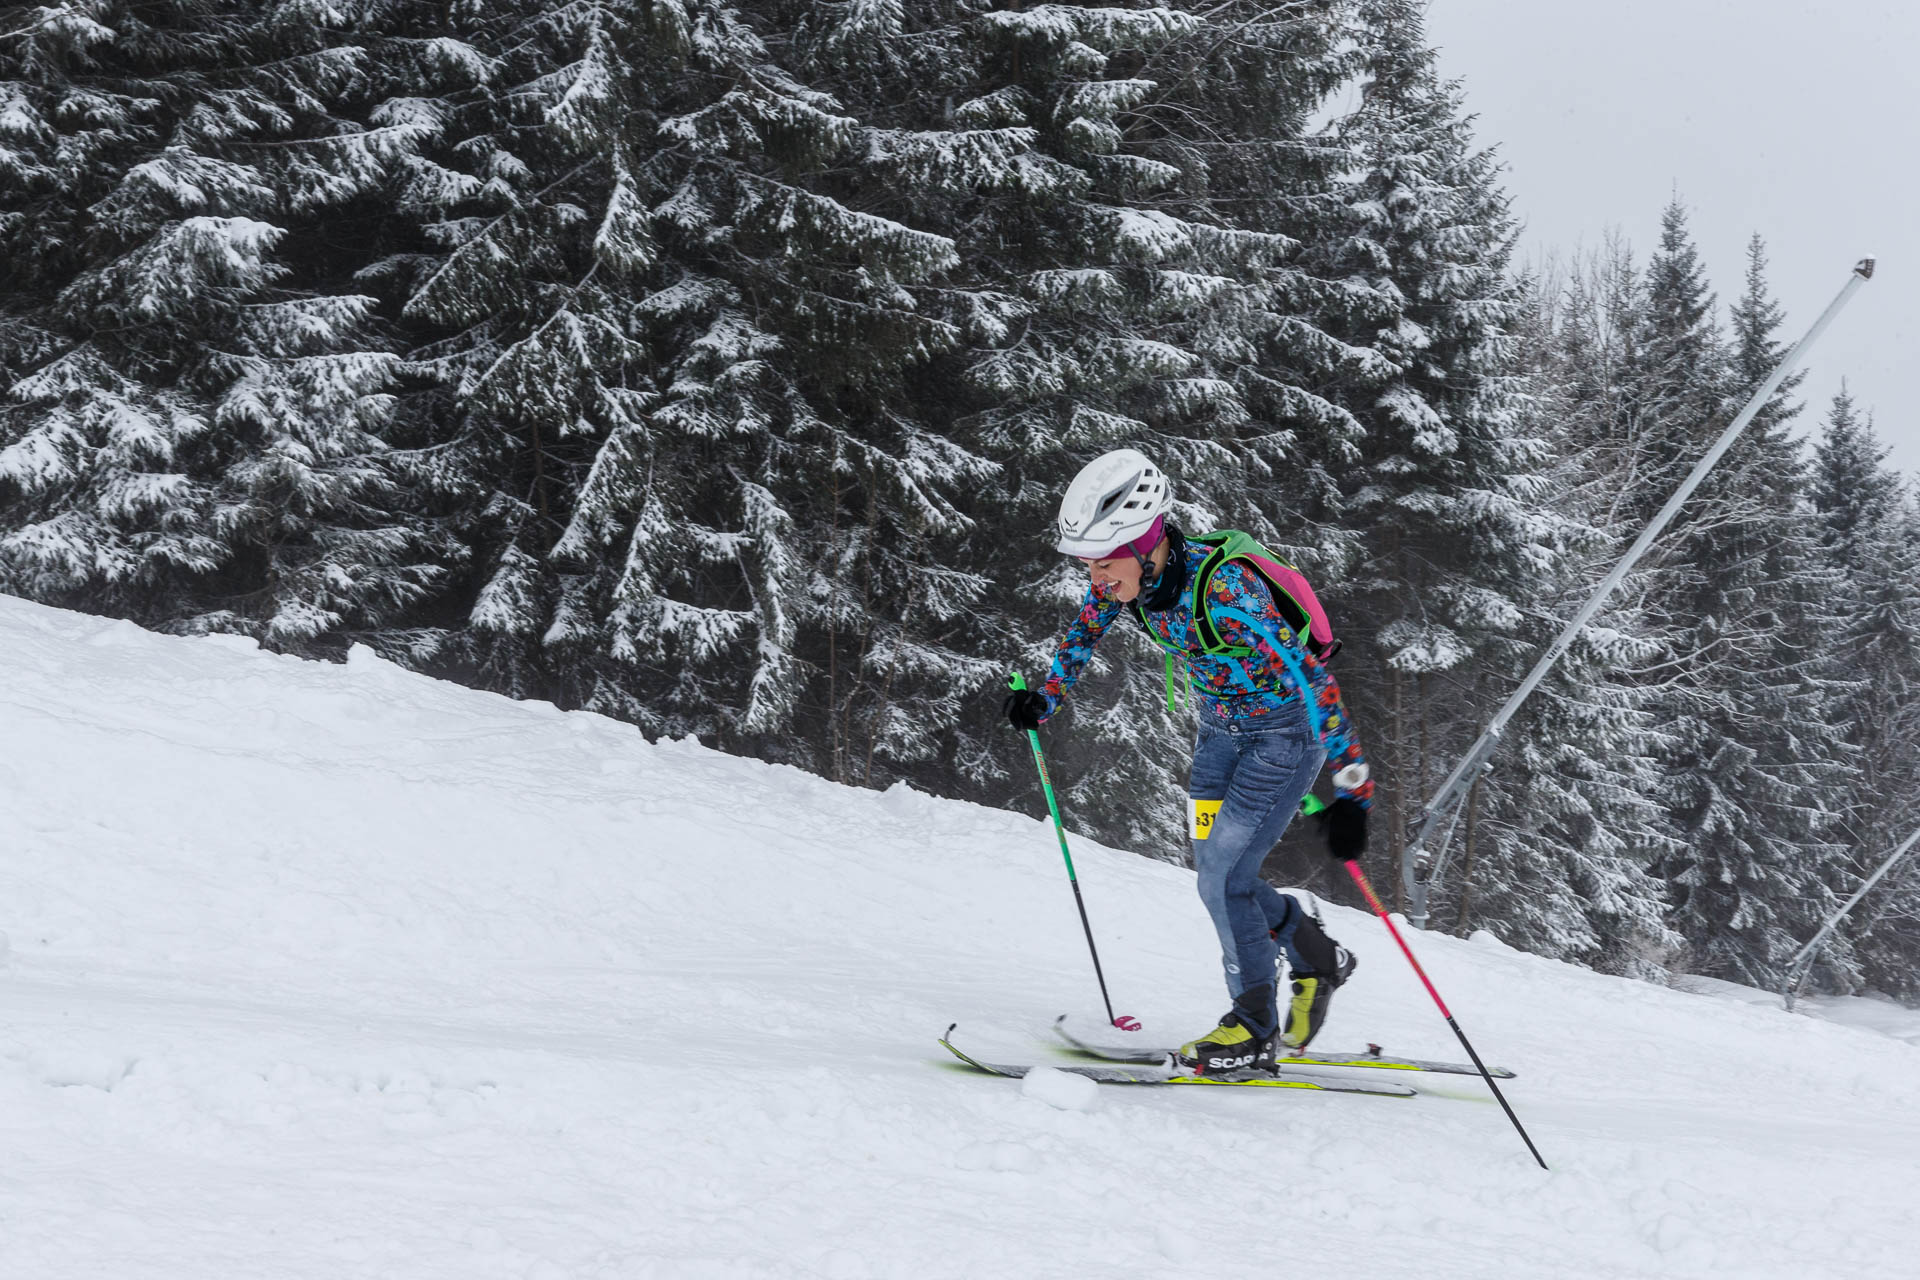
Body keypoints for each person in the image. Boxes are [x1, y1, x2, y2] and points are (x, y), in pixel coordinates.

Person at [1004, 448, 1374, 1074]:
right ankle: (1315, 956)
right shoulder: (1128, 585)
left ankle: (1252, 1026)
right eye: (1086, 564)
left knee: (1221, 876)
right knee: (1220, 875)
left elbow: (1315, 682)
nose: (1095, 578)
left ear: (1146, 544)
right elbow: (1084, 631)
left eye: (1103, 562)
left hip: (1284, 738)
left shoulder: (1228, 591)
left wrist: (1352, 797)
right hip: (1219, 735)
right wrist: (1045, 696)